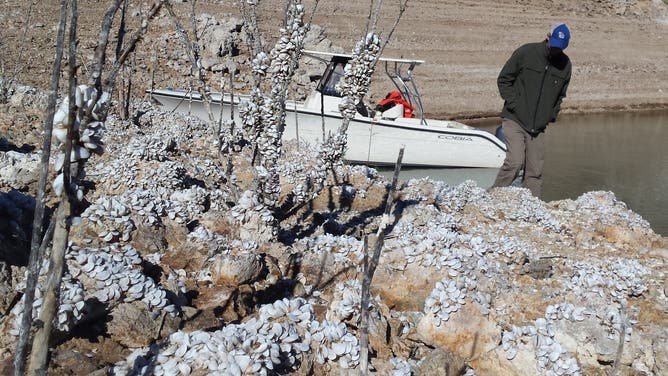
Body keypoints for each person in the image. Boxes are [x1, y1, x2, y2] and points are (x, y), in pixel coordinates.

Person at [490, 23, 572, 197]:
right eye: (554, 45)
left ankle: (534, 207)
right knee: (514, 162)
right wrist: (514, 104)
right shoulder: (527, 52)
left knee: (535, 171)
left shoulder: (566, 65)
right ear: (548, 36)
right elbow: (504, 79)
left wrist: (551, 115)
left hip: (538, 126)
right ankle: (492, 197)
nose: (555, 50)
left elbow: (560, 95)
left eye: (560, 48)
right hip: (514, 119)